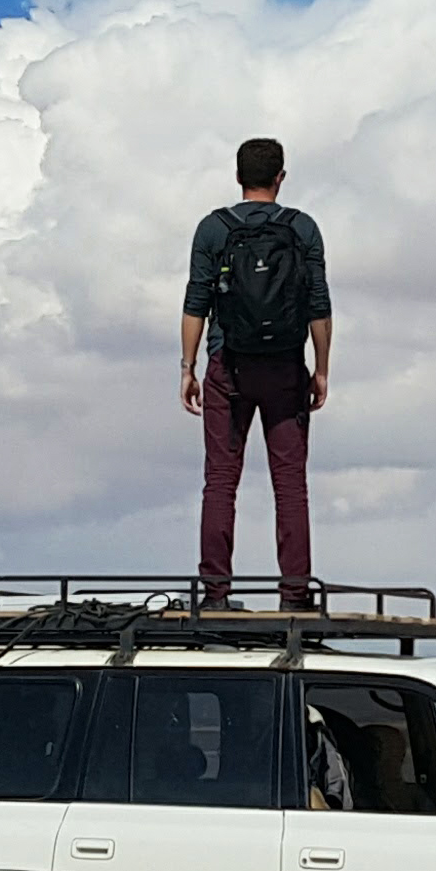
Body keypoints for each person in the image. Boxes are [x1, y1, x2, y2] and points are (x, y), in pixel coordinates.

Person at [180, 135, 331, 606]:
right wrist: (321, 369)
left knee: (221, 480)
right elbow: (319, 306)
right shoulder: (303, 229)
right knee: (290, 483)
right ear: (280, 178)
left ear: (238, 177)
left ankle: (216, 593)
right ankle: (293, 594)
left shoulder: (213, 229)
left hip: (229, 367)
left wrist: (189, 367)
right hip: (286, 366)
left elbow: (196, 304)